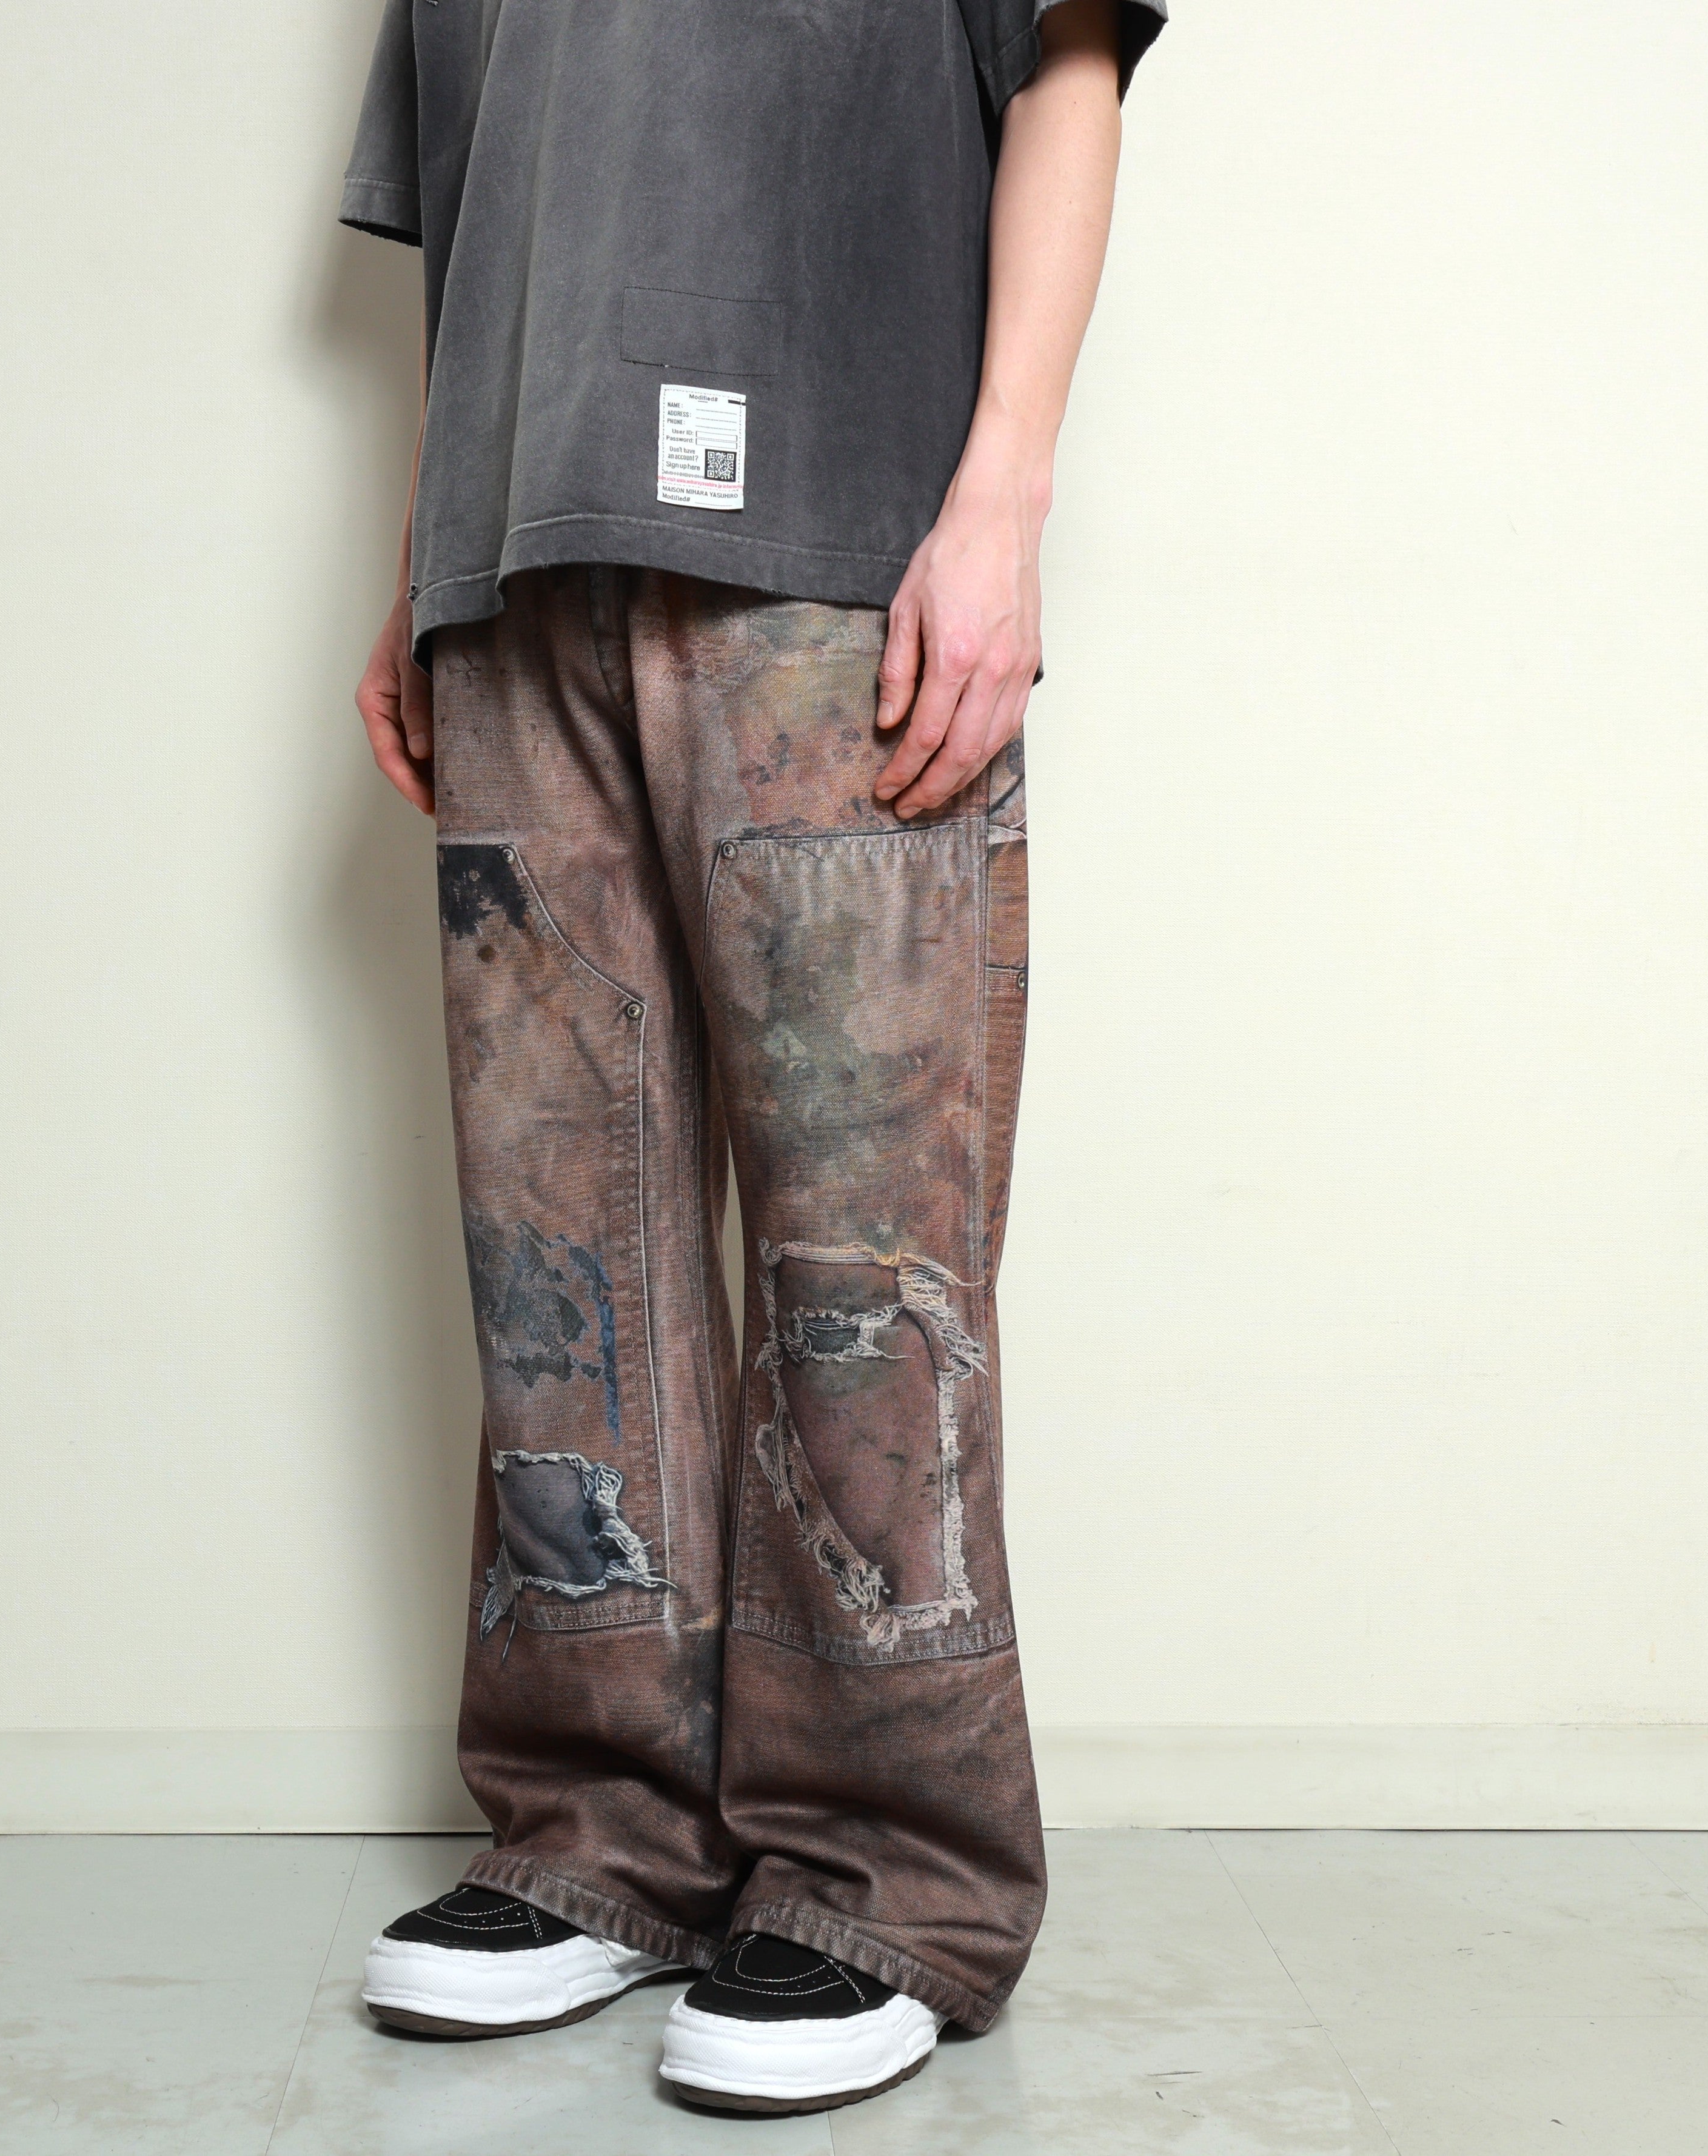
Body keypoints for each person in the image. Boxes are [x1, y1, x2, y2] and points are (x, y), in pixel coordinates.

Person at [338, 0, 1164, 2115]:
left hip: (835, 545)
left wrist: (1000, 504)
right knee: (557, 1250)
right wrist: (427, 543)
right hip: (518, 569)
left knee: (860, 1256)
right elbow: (483, 186)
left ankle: (893, 1870)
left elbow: (1070, 65)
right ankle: (598, 1828)